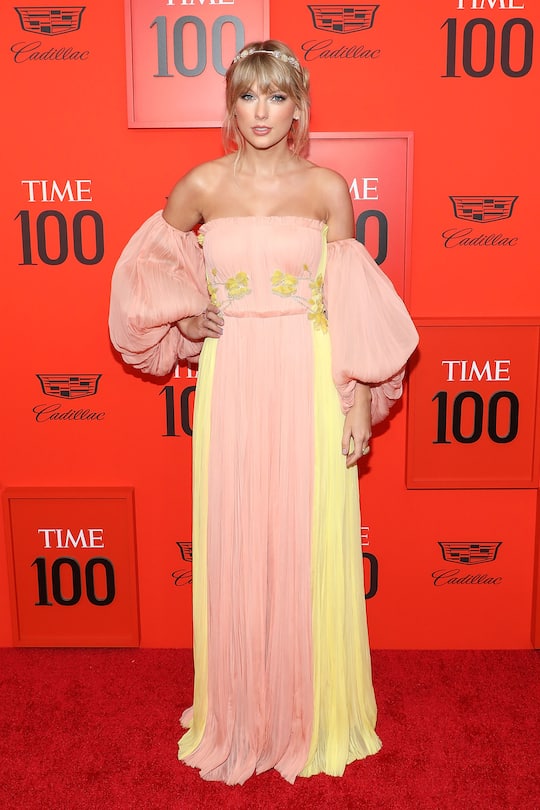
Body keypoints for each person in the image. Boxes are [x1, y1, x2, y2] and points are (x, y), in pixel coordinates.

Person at [109, 40, 418, 785]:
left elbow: (350, 299)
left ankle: (313, 710)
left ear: (299, 108)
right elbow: (145, 275)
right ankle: (243, 712)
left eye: (277, 97)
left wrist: (359, 400)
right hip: (236, 373)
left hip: (310, 375)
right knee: (241, 531)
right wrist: (185, 322)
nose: (262, 112)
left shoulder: (326, 189)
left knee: (306, 536)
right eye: (248, 96)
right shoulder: (200, 185)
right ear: (230, 105)